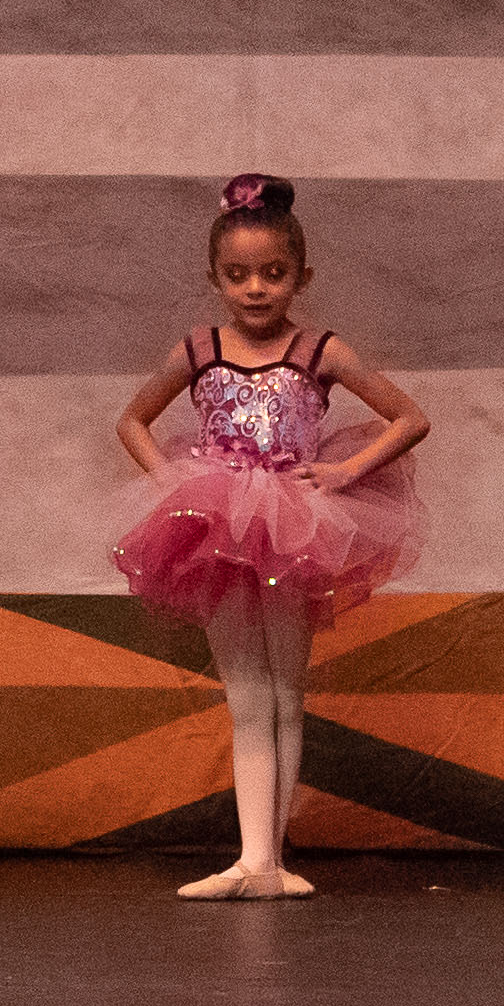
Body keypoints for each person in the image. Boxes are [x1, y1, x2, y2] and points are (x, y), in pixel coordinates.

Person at [107, 172, 423, 900]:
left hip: (294, 527)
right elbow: (132, 420)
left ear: (301, 276)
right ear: (214, 278)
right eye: (238, 275)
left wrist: (345, 472)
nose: (256, 289)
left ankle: (268, 862)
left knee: (285, 690)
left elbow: (410, 418)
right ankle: (255, 861)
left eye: (274, 274)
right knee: (247, 694)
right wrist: (171, 483)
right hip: (217, 526)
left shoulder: (321, 352)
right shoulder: (199, 350)